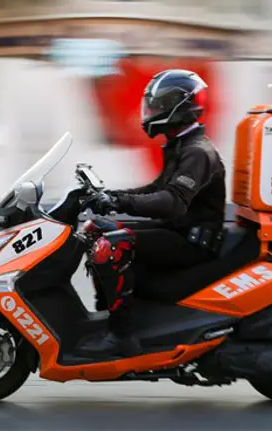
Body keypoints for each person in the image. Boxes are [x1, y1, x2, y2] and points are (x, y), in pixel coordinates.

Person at [77, 69, 227, 358]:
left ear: (178, 107)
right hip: (178, 231)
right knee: (96, 229)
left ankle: (121, 336)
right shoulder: (182, 145)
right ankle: (107, 316)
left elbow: (171, 202)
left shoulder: (197, 152)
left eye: (158, 105)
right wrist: (111, 197)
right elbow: (156, 189)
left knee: (112, 247)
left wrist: (119, 201)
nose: (150, 112)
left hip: (192, 243)